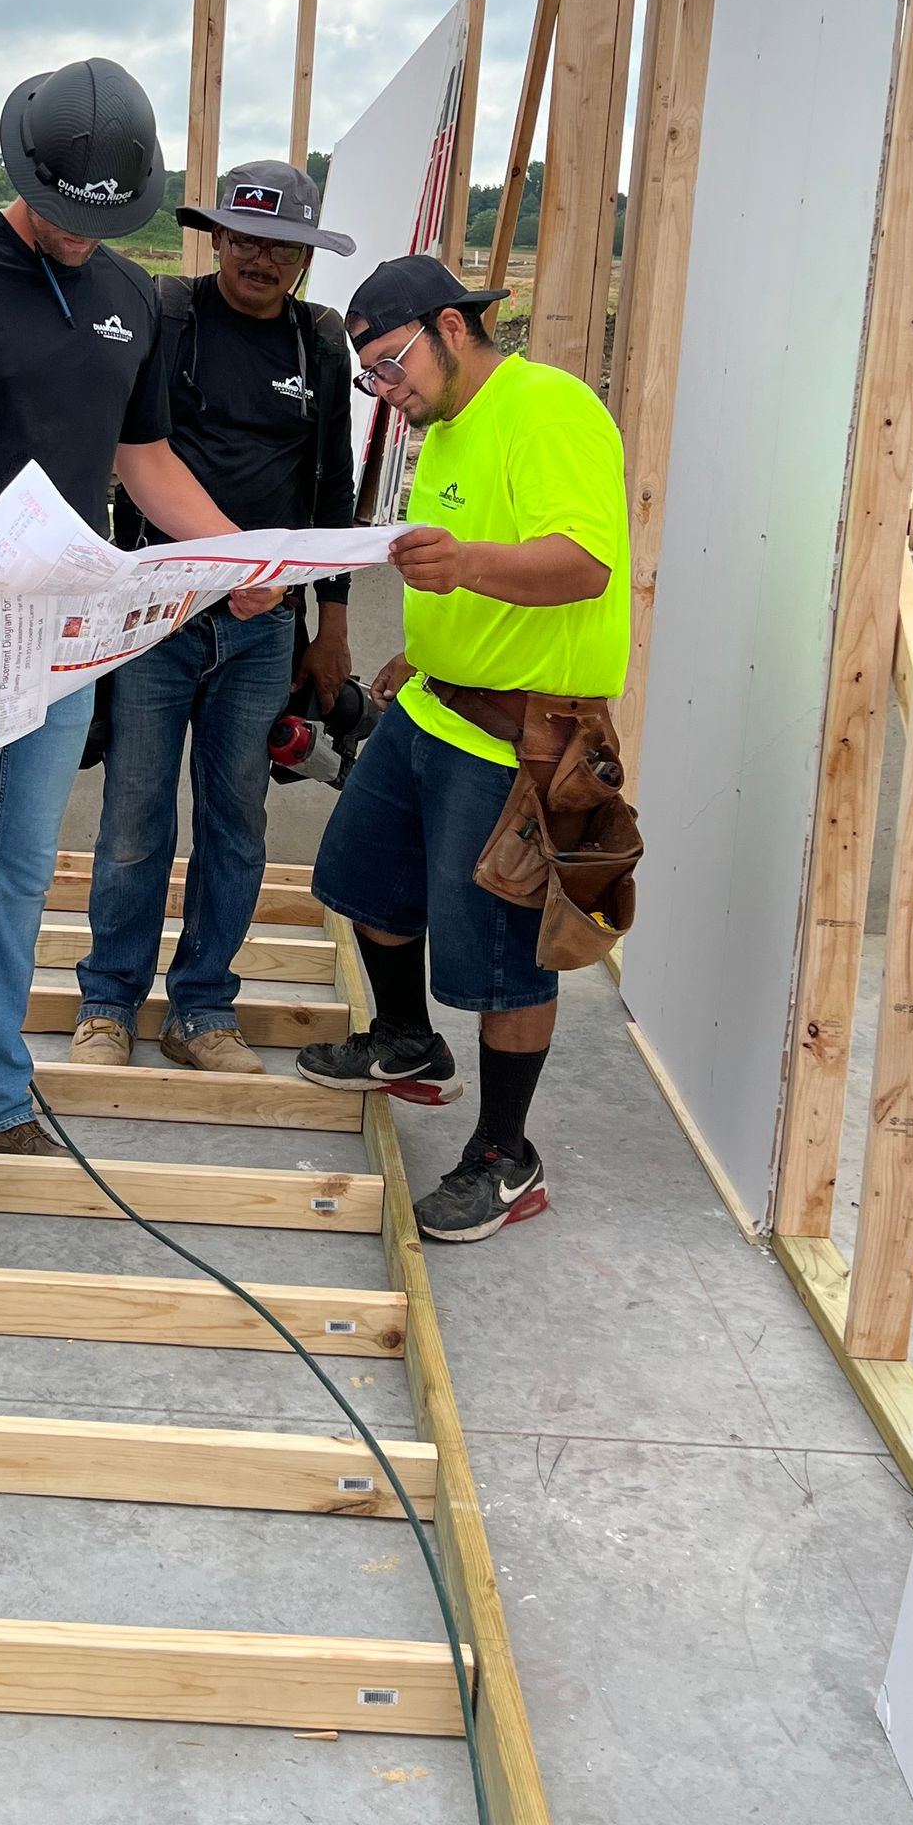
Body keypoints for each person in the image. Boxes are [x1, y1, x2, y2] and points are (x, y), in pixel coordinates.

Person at [0, 57, 272, 1268]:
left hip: (62, 635)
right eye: (68, 215)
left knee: (24, 873)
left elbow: (143, 464)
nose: (85, 239)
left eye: (106, 221)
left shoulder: (130, 293)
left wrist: (246, 554)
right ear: (25, 176)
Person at [297, 254, 629, 1241]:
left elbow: (582, 563)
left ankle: (506, 1154)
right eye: (371, 378)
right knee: (363, 880)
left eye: (392, 365)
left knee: (504, 958)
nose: (385, 393)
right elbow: (468, 563)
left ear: (452, 325)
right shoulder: (445, 424)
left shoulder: (548, 411)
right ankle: (406, 1040)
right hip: (435, 706)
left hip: (521, 733)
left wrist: (466, 565)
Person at [70, 160, 356, 1076]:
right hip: (159, 615)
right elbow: (119, 447)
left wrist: (332, 624)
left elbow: (333, 488)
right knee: (134, 816)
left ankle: (203, 1011)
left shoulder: (318, 347)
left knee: (236, 819)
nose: (260, 258)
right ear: (217, 238)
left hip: (265, 626)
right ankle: (109, 1004)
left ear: (304, 257)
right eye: (244, 238)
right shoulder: (167, 316)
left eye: (280, 244)